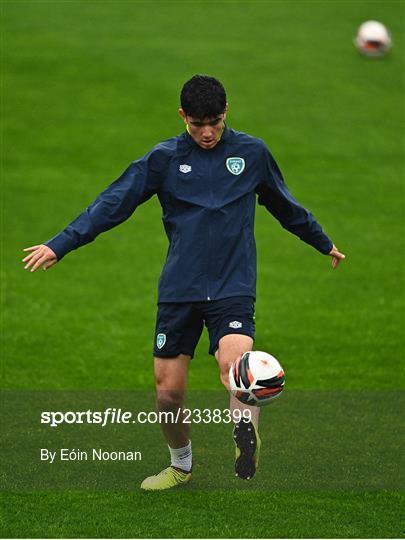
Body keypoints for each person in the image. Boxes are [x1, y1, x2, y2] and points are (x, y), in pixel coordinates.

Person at [22, 74, 345, 490]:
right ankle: (181, 465)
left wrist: (323, 243)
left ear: (226, 112)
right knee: (168, 396)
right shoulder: (164, 158)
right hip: (180, 289)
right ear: (182, 117)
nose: (207, 132)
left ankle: (245, 436)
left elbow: (286, 205)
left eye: (214, 121)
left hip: (233, 286)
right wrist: (60, 244)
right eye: (197, 124)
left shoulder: (252, 153)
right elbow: (112, 203)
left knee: (236, 368)